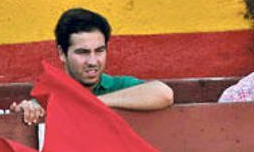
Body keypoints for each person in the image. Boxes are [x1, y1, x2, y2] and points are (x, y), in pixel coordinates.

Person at [12, 8, 174, 124]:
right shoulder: (50, 94)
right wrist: (28, 110)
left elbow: (164, 94)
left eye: (99, 51)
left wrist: (91, 103)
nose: (93, 61)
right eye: (82, 52)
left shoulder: (119, 86)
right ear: (62, 53)